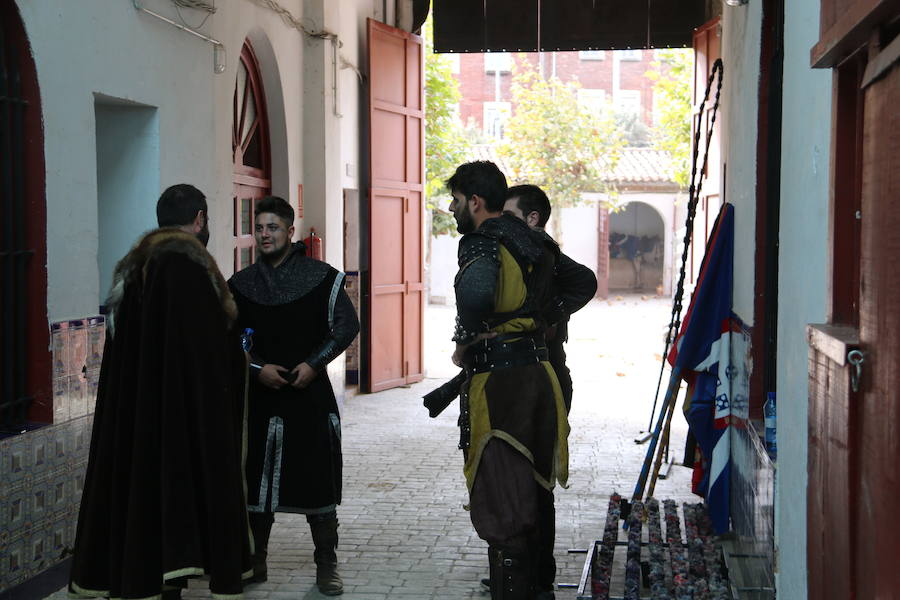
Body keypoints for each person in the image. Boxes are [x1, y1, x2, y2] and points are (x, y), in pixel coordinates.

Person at [69, 184, 252, 600]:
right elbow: (205, 353)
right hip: (182, 411)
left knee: (144, 486)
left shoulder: (135, 266)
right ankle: (182, 570)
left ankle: (154, 576)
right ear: (200, 219)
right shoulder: (188, 268)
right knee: (181, 485)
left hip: (137, 410)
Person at [444, 161, 569, 600]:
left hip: (502, 387)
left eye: (456, 201)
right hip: (538, 376)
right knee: (532, 493)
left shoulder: (481, 240)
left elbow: (476, 294)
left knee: (503, 504)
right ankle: (540, 591)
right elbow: (581, 282)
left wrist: (467, 337)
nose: (454, 209)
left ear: (474, 201)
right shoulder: (534, 240)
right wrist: (535, 321)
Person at [228, 196, 359, 597]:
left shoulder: (322, 278)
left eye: (273, 227)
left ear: (290, 231)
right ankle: (256, 562)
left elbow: (345, 325)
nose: (265, 234)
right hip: (261, 397)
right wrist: (256, 369)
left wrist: (314, 364)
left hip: (309, 396)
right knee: (256, 484)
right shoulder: (241, 284)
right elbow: (227, 338)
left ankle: (326, 567)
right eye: (260, 228)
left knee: (316, 483)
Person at [503, 184, 598, 413]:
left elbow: (586, 281)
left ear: (532, 218)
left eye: (509, 216)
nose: (502, 224)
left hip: (546, 360)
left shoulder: (543, 250)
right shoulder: (519, 250)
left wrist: (548, 316)